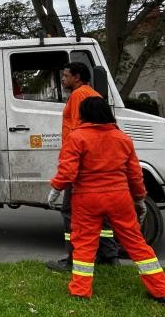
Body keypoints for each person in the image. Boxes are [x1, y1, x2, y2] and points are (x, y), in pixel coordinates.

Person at [47, 97, 165, 306]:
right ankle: (163, 292)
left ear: (84, 115)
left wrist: (55, 189)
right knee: (136, 243)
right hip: (119, 197)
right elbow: (135, 175)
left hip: (87, 198)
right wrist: (140, 198)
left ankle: (80, 290)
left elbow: (68, 171)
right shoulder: (123, 139)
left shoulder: (77, 137)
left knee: (84, 244)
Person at [46, 62, 120, 272]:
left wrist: (70, 162)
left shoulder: (79, 96)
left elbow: (80, 131)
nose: (63, 79)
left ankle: (72, 258)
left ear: (77, 77)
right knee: (102, 214)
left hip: (80, 164)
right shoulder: (93, 94)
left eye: (65, 75)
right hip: (97, 164)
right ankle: (110, 254)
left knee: (69, 211)